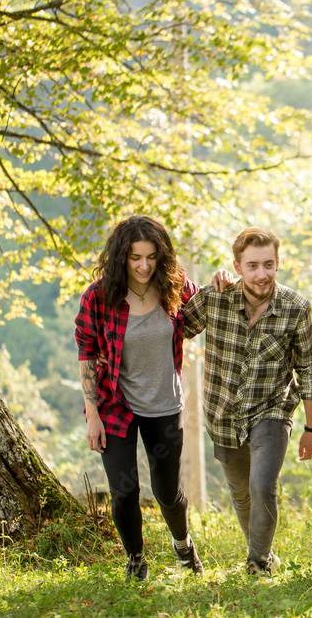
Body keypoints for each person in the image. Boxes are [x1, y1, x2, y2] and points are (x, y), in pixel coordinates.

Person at [183, 227, 312, 576]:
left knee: (263, 486)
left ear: (278, 263)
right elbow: (175, 326)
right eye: (253, 265)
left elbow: (308, 370)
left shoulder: (295, 308)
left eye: (269, 265)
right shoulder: (215, 298)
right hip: (222, 412)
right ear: (237, 266)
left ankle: (257, 565)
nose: (262, 274)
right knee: (241, 493)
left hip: (272, 410)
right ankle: (264, 553)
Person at [75, 215, 203, 581]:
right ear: (121, 257)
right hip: (115, 407)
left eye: (150, 257)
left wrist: (224, 282)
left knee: (167, 491)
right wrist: (93, 414)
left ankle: (183, 544)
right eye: (135, 258)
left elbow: (208, 306)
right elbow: (85, 352)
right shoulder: (99, 297)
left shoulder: (173, 285)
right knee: (123, 491)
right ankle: (135, 559)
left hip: (164, 404)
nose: (144, 266)